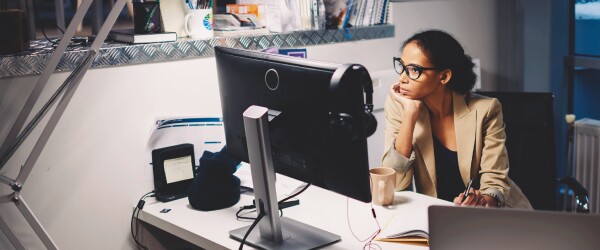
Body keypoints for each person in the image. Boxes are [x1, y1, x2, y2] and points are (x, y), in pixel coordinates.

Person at [381, 29, 532, 209]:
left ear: (443, 76)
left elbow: (495, 181)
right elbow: (395, 183)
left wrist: (483, 201)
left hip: (496, 216)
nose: (402, 78)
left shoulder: (486, 110)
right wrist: (410, 115)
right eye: (402, 66)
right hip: (440, 217)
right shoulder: (401, 105)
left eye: (414, 70)